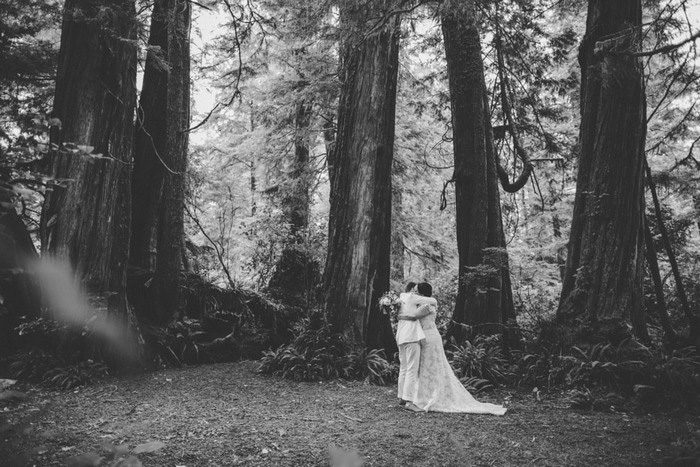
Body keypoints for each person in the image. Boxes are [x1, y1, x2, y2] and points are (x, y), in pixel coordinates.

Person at [405, 282, 507, 415]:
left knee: (432, 366)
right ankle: (423, 394)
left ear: (423, 294)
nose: (415, 294)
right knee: (425, 366)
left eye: (417, 292)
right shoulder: (424, 302)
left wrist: (400, 312)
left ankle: (431, 395)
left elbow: (413, 316)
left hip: (429, 338)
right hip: (425, 337)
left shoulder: (427, 305)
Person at [395, 281, 436, 407]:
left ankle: (402, 396)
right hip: (412, 335)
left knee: (404, 367)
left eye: (417, 290)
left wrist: (400, 316)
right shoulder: (414, 298)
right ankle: (409, 401)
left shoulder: (401, 298)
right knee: (412, 370)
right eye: (414, 289)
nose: (415, 292)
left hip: (401, 335)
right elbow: (433, 300)